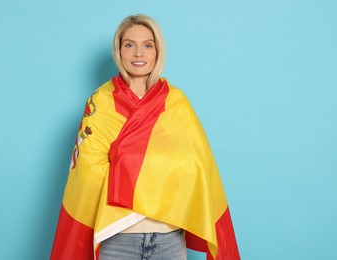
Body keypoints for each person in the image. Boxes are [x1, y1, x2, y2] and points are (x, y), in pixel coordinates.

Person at [51, 14, 240, 260]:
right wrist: (156, 171)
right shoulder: (101, 102)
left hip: (168, 239)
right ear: (119, 51)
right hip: (117, 237)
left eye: (147, 45)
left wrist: (122, 160)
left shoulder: (175, 103)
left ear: (157, 51)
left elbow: (196, 170)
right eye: (129, 45)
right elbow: (88, 170)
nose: (138, 53)